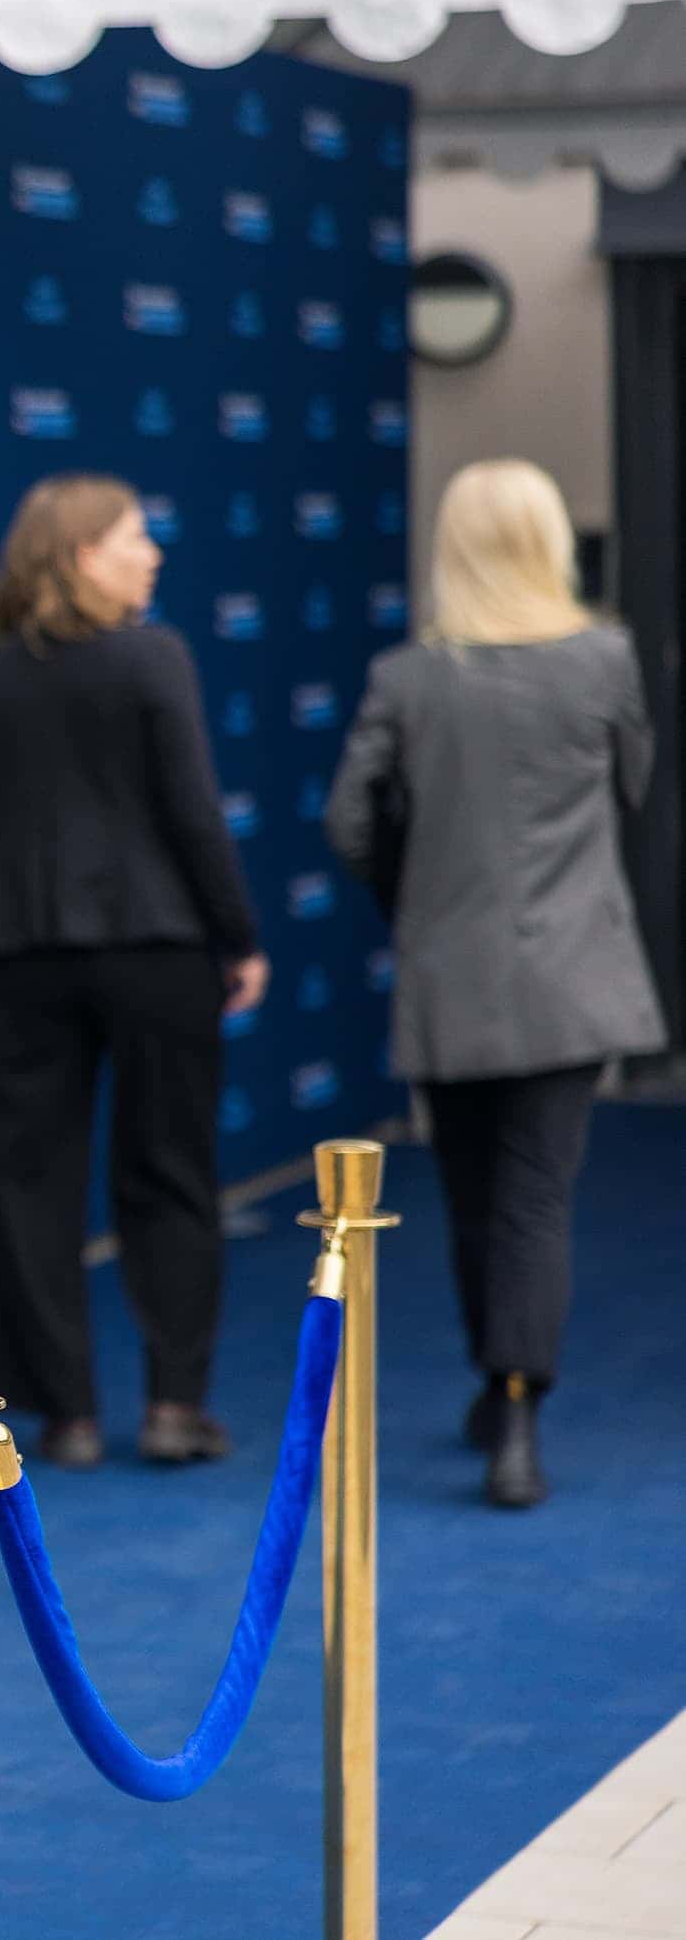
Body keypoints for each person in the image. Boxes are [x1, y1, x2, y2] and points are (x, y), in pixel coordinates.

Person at [326, 458, 663, 1509]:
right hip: (572, 974)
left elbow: (350, 823)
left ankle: (496, 1380)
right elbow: (633, 789)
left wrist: (417, 898)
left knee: (473, 1196)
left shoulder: (405, 677)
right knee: (533, 1197)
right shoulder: (605, 659)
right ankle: (516, 1407)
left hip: (450, 970)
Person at [0, 474, 266, 1470]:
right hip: (156, 951)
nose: (152, 554)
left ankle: (65, 1415)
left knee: (28, 1187)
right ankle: (173, 1405)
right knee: (168, 1171)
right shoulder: (153, 658)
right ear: (83, 555)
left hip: (22, 957)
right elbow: (193, 812)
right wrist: (238, 937)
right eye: (135, 537)